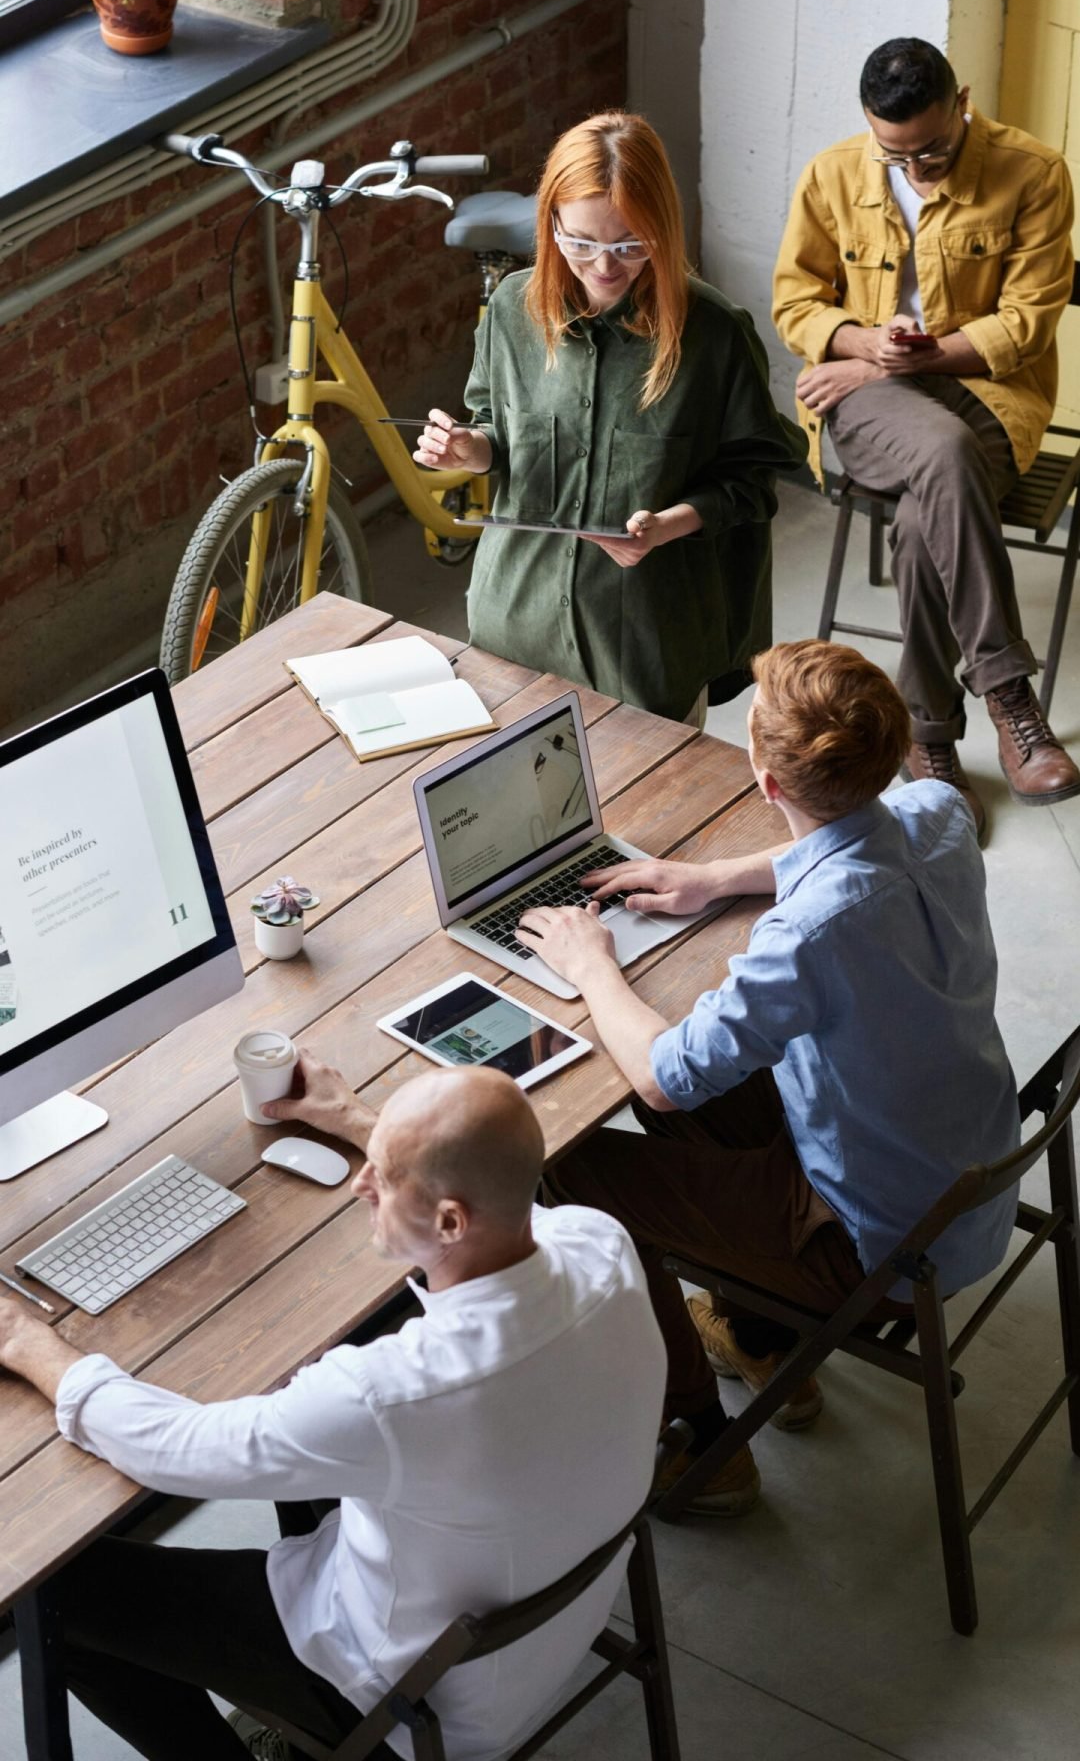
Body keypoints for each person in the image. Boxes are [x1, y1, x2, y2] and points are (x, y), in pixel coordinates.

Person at [0, 1063, 665, 1761]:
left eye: (382, 1174)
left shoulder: (391, 1394)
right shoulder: (600, 1245)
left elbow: (174, 1447)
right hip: (542, 1633)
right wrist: (354, 1120)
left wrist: (26, 1341)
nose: (360, 1184)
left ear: (448, 1221)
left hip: (408, 1701)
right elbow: (495, 1197)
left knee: (59, 1594)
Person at [517, 640, 1021, 1515]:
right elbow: (872, 838)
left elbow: (666, 1079)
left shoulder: (811, 935)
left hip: (882, 1249)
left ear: (768, 784)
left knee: (570, 1161)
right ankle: (760, 1335)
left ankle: (699, 1449)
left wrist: (589, 962)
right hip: (965, 1186)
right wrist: (714, 879)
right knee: (718, 1067)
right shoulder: (942, 809)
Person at [773, 37, 1080, 839]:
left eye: (936, 146)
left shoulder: (1036, 173)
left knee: (922, 521)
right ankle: (1011, 695)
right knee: (939, 457)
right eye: (896, 152)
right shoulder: (832, 174)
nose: (919, 165)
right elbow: (795, 301)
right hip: (871, 406)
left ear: (964, 100)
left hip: (991, 395)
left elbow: (1025, 324)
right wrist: (861, 346)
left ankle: (929, 740)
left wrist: (889, 363)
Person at [416, 110, 808, 725]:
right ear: (550, 225)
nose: (604, 266)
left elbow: (754, 480)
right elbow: (496, 424)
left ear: (664, 230)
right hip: (513, 625)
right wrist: (473, 448)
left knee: (646, 815)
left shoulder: (715, 336)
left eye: (630, 245)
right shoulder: (513, 310)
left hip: (644, 643)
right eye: (580, 243)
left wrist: (669, 525)